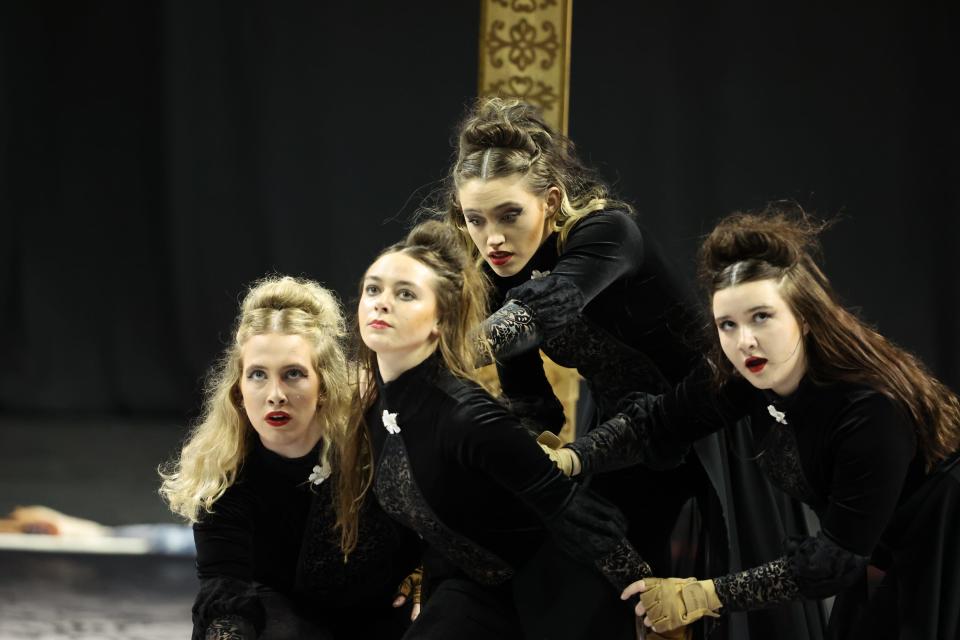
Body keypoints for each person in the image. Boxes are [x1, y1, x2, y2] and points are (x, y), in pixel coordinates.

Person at [548, 207, 960, 639]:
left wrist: (702, 595)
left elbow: (832, 563)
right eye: (728, 324)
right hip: (879, 554)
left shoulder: (870, 407)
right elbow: (659, 421)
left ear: (803, 315)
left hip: (943, 547)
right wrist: (570, 460)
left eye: (761, 317)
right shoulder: (747, 373)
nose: (744, 340)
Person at [430, 96, 735, 588]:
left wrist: (427, 353)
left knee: (725, 584)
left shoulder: (608, 232)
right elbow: (532, 403)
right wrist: (522, 452)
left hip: (710, 417)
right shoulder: (496, 278)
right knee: (595, 570)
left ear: (550, 201)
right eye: (475, 220)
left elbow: (539, 311)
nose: (493, 240)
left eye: (509, 215)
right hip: (620, 431)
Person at [335, 220, 649, 639]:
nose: (381, 303)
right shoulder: (376, 403)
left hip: (553, 601)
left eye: (405, 294)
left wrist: (651, 605)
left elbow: (577, 515)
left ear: (441, 320)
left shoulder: (468, 416)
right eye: (373, 289)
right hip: (473, 590)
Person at [159, 276, 420, 640]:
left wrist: (428, 573)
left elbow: (439, 515)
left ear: (324, 385)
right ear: (238, 391)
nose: (275, 394)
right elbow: (225, 588)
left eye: (293, 374)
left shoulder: (374, 442)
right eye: (258, 376)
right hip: (287, 616)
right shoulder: (221, 471)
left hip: (385, 611)